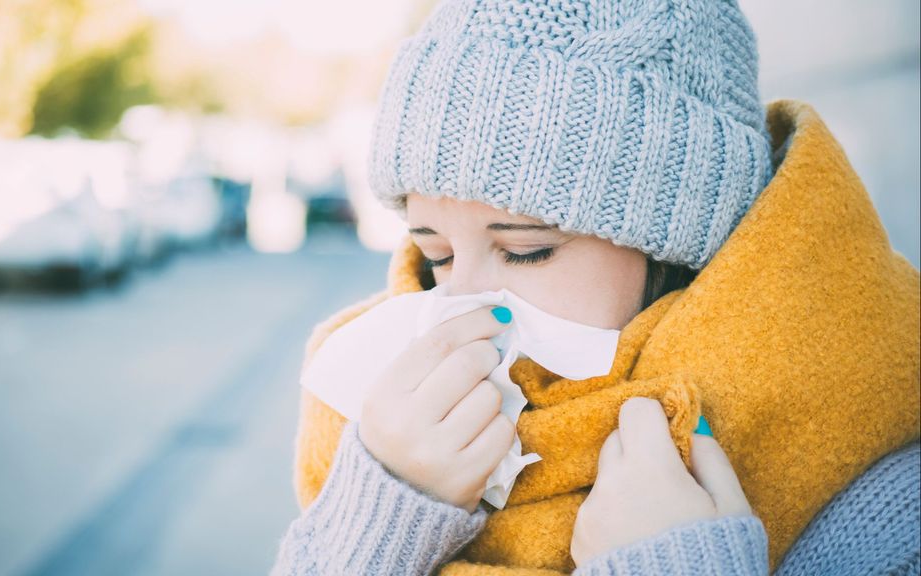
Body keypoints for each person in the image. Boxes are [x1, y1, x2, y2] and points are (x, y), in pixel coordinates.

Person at [271, 0, 920, 574]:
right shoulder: (364, 419)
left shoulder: (886, 495)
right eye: (435, 252)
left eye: (526, 250)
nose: (461, 309)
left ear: (680, 244)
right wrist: (380, 517)